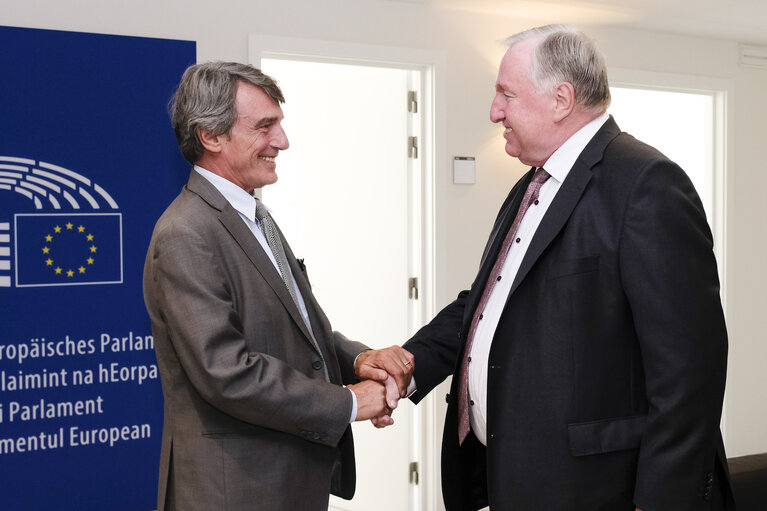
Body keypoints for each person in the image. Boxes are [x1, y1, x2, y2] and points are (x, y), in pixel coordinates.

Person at [402, 24, 734, 510]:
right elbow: (490, 301)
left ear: (561, 99)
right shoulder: (531, 184)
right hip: (519, 481)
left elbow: (689, 371)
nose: (495, 111)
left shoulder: (646, 184)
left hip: (601, 491)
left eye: (506, 95)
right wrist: (408, 364)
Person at [143, 61, 413, 511]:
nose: (282, 142)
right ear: (210, 136)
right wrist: (346, 402)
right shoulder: (185, 234)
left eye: (280, 125)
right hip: (233, 490)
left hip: (284, 481)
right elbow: (228, 372)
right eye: (265, 127)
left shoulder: (253, 214)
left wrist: (360, 360)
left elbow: (298, 329)